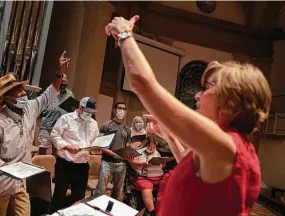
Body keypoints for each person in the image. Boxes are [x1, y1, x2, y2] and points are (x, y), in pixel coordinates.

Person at [105, 16, 271, 216]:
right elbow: (188, 162)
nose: (198, 95)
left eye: (208, 87)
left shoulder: (226, 144)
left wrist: (124, 33)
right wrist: (169, 136)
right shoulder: (222, 146)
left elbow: (142, 83)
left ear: (232, 101)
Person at [0, 52, 68, 215]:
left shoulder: (30, 109)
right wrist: (11, 169)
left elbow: (49, 94)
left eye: (22, 89)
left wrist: (59, 73)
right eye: (17, 91)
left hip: (19, 182)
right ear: (7, 98)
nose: (23, 93)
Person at [48, 97, 99, 214]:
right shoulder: (66, 118)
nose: (90, 115)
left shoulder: (93, 123)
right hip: (65, 164)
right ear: (80, 107)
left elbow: (95, 140)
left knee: (78, 198)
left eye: (92, 113)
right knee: (59, 197)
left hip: (82, 166)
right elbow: (54, 135)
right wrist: (67, 146)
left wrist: (97, 146)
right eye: (88, 112)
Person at [94, 102, 130, 201]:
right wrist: (114, 154)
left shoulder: (127, 128)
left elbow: (127, 146)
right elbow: (101, 146)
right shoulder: (106, 125)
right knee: (100, 191)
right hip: (107, 163)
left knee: (118, 192)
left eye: (124, 109)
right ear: (114, 110)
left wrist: (129, 154)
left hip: (121, 164)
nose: (121, 110)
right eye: (119, 108)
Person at [38, 59, 75, 156]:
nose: (63, 83)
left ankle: (53, 168)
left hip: (60, 127)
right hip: (47, 125)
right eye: (61, 81)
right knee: (43, 148)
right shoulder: (51, 91)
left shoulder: (70, 94)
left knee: (57, 149)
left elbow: (72, 108)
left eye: (65, 81)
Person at [129, 137, 164, 216]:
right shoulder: (138, 152)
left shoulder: (156, 152)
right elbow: (133, 163)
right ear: (146, 145)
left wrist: (163, 164)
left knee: (168, 183)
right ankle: (152, 212)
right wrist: (144, 163)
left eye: (153, 147)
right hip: (142, 177)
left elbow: (160, 165)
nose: (152, 148)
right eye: (150, 146)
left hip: (157, 176)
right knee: (147, 186)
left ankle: (163, 209)